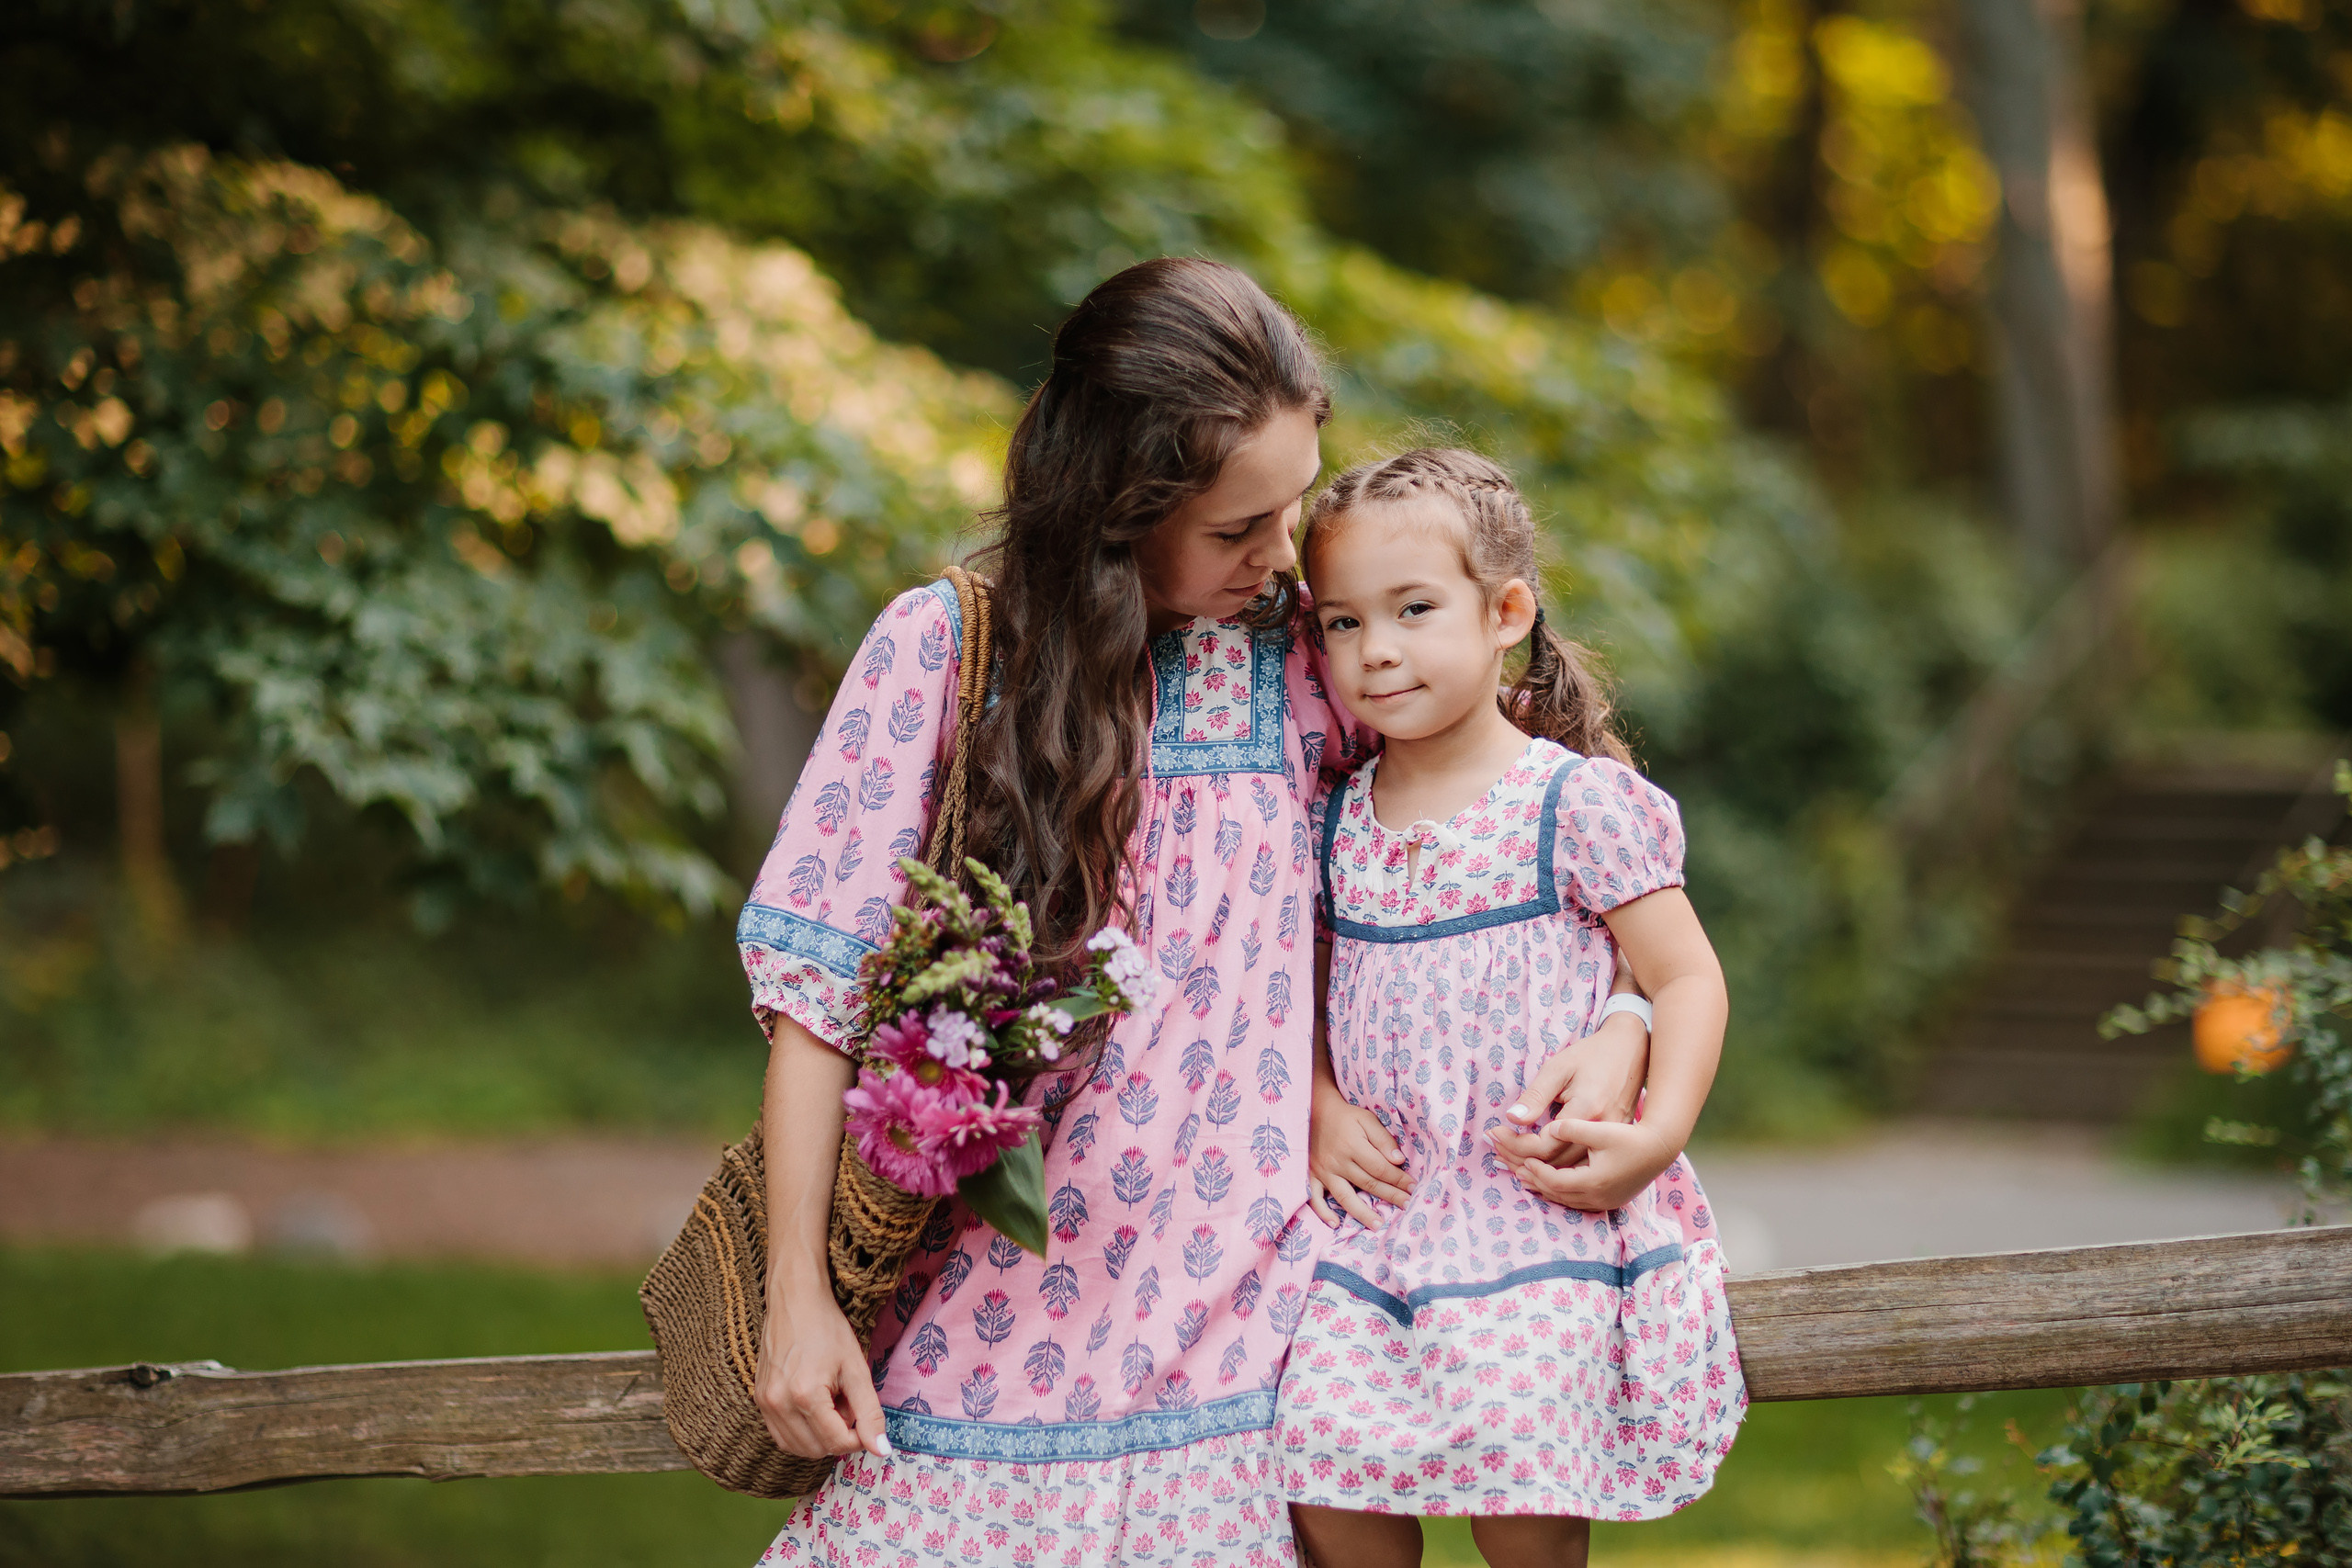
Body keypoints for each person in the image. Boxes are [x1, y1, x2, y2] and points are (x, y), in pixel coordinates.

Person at [734, 260, 1661, 1568]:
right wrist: (796, 1301)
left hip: (1253, 1345)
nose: (1284, 556)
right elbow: (816, 995)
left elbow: (1561, 825)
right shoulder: (949, 653)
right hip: (986, 1333)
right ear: (1120, 508)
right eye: (1240, 528)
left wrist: (1625, 1016)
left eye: (1292, 507)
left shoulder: (1316, 650)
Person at [1276, 447, 1744, 1568]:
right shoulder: (1332, 818)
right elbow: (1299, 1001)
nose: (1374, 649)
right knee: (1321, 1465)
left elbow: (1684, 977)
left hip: (1534, 1209)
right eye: (1340, 623)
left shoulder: (1571, 801)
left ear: (1505, 613)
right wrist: (1321, 1101)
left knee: (1522, 1491)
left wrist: (1655, 1135)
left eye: (1413, 609)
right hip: (1379, 1214)